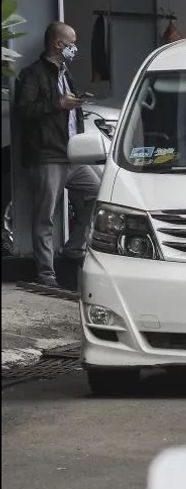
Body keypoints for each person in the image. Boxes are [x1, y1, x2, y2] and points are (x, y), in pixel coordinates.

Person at [13, 22, 100, 289]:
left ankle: (74, 249)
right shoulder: (33, 74)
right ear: (58, 44)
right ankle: (46, 274)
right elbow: (24, 110)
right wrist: (59, 103)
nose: (75, 48)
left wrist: (74, 103)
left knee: (97, 195)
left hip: (72, 155)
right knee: (44, 216)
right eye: (72, 42)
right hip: (48, 155)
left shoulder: (65, 73)